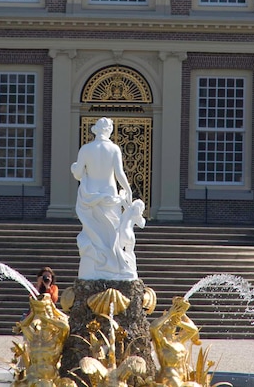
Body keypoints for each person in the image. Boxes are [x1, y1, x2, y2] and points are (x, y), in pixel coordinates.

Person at [71, 117, 139, 280]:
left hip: (90, 197)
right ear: (109, 130)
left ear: (96, 130)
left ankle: (96, 266)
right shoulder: (114, 149)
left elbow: (79, 174)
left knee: (94, 233)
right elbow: (119, 173)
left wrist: (74, 168)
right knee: (112, 234)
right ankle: (115, 266)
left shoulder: (85, 149)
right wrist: (128, 190)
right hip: (109, 195)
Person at [149, 296, 202, 387]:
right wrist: (169, 314)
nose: (170, 323)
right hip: (169, 379)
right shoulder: (161, 342)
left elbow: (193, 330)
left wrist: (180, 316)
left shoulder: (178, 340)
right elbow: (153, 328)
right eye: (166, 323)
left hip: (182, 377)